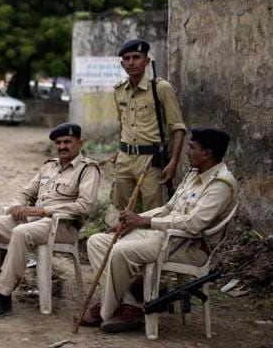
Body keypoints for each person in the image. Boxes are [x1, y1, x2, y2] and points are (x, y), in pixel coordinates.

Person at [82, 127, 237, 333]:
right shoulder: (193, 174)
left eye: (191, 148)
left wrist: (145, 223)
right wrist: (134, 221)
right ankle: (127, 306)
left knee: (119, 251)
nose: (187, 152)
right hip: (165, 237)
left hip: (188, 247)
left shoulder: (221, 184)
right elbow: (168, 209)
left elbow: (193, 225)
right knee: (97, 242)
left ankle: (105, 311)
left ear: (207, 154)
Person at [0, 123, 101, 320]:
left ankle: (2, 297)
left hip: (61, 226)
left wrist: (42, 210)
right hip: (33, 222)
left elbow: (84, 206)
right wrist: (17, 205)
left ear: (79, 143)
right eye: (58, 143)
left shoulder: (88, 170)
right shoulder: (49, 166)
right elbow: (26, 192)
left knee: (20, 233)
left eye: (67, 141)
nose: (62, 146)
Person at [111, 38, 186, 214]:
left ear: (146, 61)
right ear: (122, 64)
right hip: (124, 159)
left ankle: (150, 241)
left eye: (136, 57)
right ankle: (128, 242)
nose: (131, 62)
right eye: (127, 59)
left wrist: (173, 161)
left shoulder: (161, 88)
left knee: (151, 213)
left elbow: (178, 128)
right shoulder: (119, 90)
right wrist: (120, 149)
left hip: (150, 161)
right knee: (126, 212)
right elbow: (122, 123)